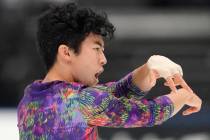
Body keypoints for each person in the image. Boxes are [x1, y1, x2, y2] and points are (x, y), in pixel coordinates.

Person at [17, 3, 202, 140]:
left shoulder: (30, 98)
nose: (103, 59)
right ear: (66, 52)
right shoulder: (82, 102)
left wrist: (149, 68)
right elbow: (150, 113)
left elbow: (116, 93)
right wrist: (185, 95)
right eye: (97, 49)